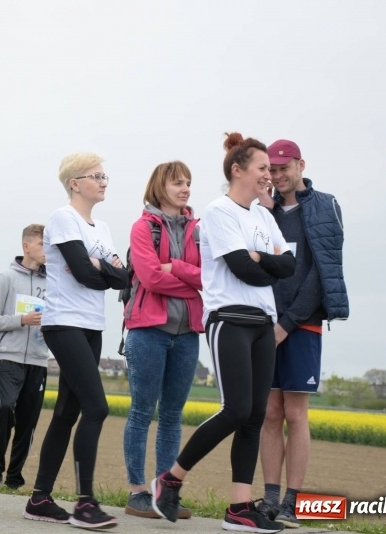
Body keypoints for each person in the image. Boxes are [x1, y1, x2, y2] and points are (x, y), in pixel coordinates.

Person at [150, 133, 295, 533]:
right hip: (229, 318)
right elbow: (243, 269)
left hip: (264, 321)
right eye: (263, 168)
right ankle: (171, 479)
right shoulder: (219, 211)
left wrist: (260, 258)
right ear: (238, 169)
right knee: (235, 409)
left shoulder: (264, 217)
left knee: (255, 415)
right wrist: (265, 261)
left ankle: (239, 508)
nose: (270, 175)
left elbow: (290, 267)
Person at [23, 153, 128, 530]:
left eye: (105, 175)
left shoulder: (101, 227)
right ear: (74, 183)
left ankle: (39, 498)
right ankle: (85, 503)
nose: (103, 181)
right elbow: (85, 274)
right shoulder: (63, 218)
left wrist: (101, 269)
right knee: (96, 408)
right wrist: (102, 269)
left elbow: (124, 277)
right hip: (64, 323)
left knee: (67, 412)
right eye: (96, 176)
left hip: (91, 326)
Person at [257, 139, 349, 528]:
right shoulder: (262, 210)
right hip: (263, 322)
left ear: (300, 165)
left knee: (295, 412)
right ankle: (271, 499)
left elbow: (320, 273)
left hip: (302, 323)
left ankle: (293, 501)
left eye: (284, 168)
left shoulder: (325, 206)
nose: (277, 176)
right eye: (271, 170)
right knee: (269, 413)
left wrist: (287, 324)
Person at [121, 161, 204, 520]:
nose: (185, 188)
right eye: (177, 183)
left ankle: (164, 493)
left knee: (172, 415)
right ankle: (138, 491)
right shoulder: (142, 228)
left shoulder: (200, 229)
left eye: (187, 182)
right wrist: (188, 279)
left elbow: (210, 277)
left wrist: (178, 268)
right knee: (142, 411)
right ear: (160, 187)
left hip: (187, 335)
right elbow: (151, 278)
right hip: (147, 331)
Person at [0, 224, 49, 490]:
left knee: (29, 420)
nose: (48, 251)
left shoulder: (52, 281)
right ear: (27, 246)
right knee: (6, 409)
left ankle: (14, 478)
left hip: (38, 359)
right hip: (8, 358)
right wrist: (21, 320)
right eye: (43, 245)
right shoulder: (6, 277)